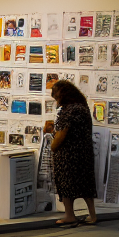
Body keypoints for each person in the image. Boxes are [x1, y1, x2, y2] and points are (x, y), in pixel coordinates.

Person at [49, 79, 98, 226]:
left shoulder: (70, 110)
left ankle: (70, 215)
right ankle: (92, 215)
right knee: (85, 184)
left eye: (56, 97)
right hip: (83, 153)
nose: (57, 100)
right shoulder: (82, 107)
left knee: (66, 185)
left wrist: (53, 145)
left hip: (68, 155)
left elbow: (62, 134)